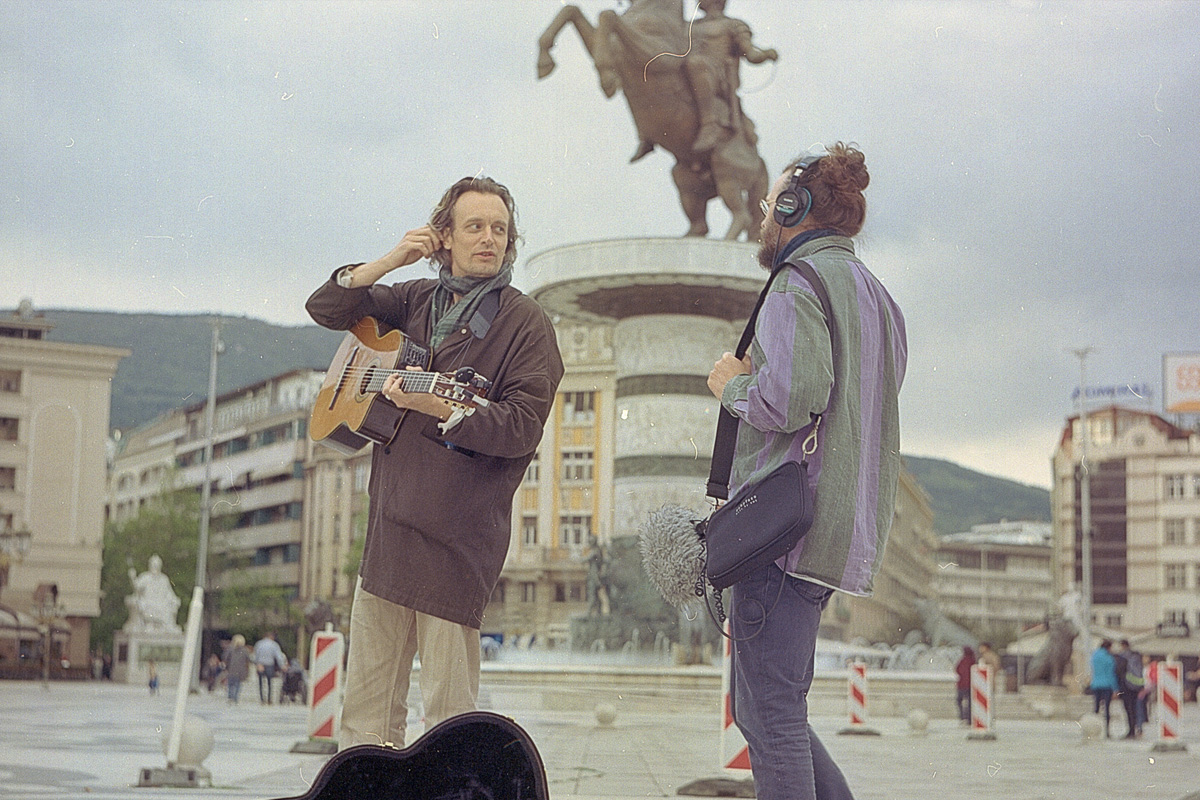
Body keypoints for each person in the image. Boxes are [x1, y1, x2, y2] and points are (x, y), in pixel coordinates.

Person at [307, 176, 564, 749]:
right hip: (388, 532)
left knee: (448, 718)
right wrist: (393, 259)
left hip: (456, 541)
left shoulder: (526, 323)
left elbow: (522, 425)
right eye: (474, 226)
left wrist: (439, 406)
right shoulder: (414, 298)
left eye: (500, 229)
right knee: (365, 716)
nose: (489, 239)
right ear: (442, 237)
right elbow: (326, 306)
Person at [706, 143, 906, 800]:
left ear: (792, 209)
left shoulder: (797, 285)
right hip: (837, 532)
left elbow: (790, 398)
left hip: (782, 535)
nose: (765, 215)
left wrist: (733, 386)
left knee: (773, 714)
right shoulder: (879, 299)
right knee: (766, 705)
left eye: (770, 204)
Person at [1114, 638, 1144, 738]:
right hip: (1136, 685)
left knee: (1128, 709)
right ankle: (1136, 728)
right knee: (1135, 708)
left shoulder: (1122, 657)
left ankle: (1131, 731)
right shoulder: (1136, 655)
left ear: (1123, 646)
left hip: (1126, 686)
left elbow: (1118, 671)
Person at [1090, 639, 1119, 738]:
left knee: (1096, 708)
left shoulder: (1094, 656)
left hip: (1095, 684)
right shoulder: (1109, 658)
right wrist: (1115, 689)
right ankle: (1106, 732)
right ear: (1109, 647)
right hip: (1106, 685)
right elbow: (1111, 674)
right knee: (1106, 709)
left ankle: (1093, 730)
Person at [253, 631, 288, 705]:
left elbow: (255, 655)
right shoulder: (274, 645)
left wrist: (257, 664)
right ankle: (269, 699)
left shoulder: (259, 644)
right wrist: (282, 665)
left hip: (261, 664)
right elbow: (278, 656)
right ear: (272, 637)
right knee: (269, 683)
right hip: (269, 664)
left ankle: (262, 699)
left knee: (261, 682)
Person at [224, 634, 251, 704]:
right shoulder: (245, 650)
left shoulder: (230, 649)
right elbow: (248, 659)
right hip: (241, 670)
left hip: (231, 669)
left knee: (230, 684)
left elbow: (226, 658)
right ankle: (235, 698)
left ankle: (230, 697)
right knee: (237, 684)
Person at [954, 646, 976, 724]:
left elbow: (957, 669)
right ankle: (969, 718)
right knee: (970, 702)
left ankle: (963, 717)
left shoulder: (962, 660)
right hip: (970, 685)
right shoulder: (973, 661)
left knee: (959, 701)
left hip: (962, 685)